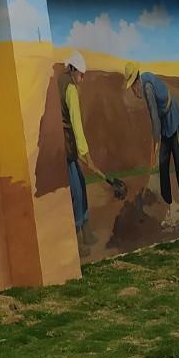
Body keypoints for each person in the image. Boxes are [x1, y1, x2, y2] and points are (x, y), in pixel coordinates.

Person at [125, 61, 179, 232]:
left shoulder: (147, 88)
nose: (133, 91)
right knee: (163, 168)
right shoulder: (144, 84)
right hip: (163, 124)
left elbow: (154, 119)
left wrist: (155, 144)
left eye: (132, 86)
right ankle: (169, 212)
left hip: (172, 120)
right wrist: (156, 142)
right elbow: (154, 119)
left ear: (136, 81)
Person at [59, 51, 105, 253]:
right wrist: (87, 156)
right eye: (81, 74)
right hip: (67, 145)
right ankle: (77, 238)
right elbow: (77, 125)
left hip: (67, 145)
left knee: (81, 185)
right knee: (77, 191)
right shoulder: (70, 88)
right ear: (72, 69)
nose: (82, 78)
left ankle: (86, 230)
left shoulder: (60, 81)